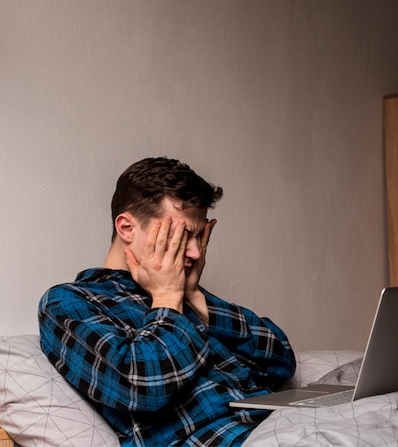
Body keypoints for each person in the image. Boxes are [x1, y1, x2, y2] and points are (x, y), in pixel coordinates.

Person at [38, 157, 296, 446]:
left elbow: (281, 363)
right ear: (127, 228)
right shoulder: (69, 301)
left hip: (278, 423)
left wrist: (196, 298)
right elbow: (141, 386)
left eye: (199, 237)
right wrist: (167, 298)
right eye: (184, 235)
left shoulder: (186, 293)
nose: (197, 253)